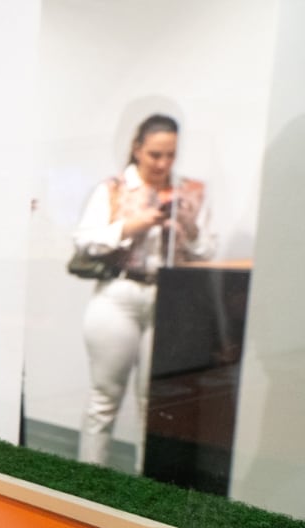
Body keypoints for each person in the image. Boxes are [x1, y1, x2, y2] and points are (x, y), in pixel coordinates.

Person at [74, 113, 216, 469]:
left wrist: (187, 227)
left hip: (172, 298)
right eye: (155, 154)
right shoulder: (113, 188)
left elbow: (206, 252)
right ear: (137, 148)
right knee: (104, 397)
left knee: (154, 402)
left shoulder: (190, 191)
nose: (163, 163)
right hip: (119, 293)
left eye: (170, 155)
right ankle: (88, 482)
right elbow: (85, 241)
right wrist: (131, 226)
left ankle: (146, 485)